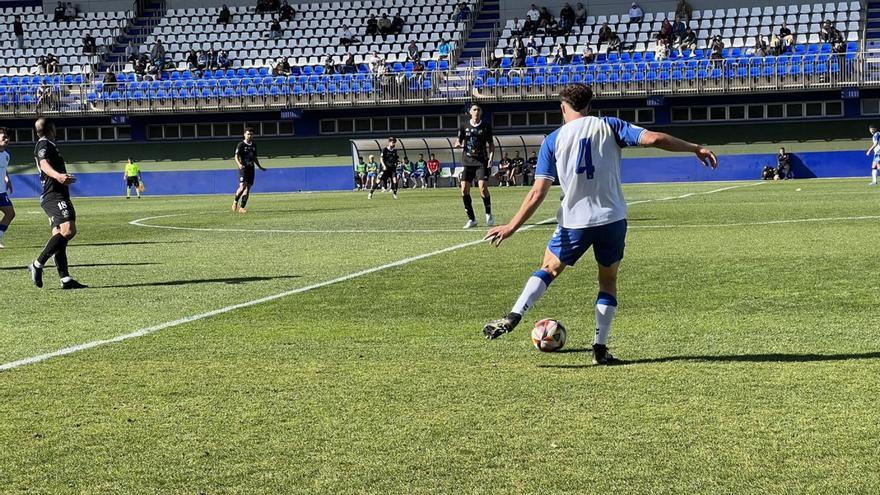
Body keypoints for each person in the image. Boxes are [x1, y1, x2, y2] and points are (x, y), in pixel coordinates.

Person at [481, 84, 717, 364]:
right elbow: (654, 138)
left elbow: (538, 192)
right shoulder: (611, 126)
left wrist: (511, 226)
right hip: (611, 219)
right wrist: (694, 148)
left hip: (574, 222)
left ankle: (515, 314)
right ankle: (600, 349)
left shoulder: (553, 140)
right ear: (590, 106)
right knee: (608, 281)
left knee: (549, 268)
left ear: (562, 107)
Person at [29, 118, 87, 290]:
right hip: (54, 195)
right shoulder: (44, 144)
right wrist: (59, 176)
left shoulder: (48, 145)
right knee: (69, 230)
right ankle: (37, 264)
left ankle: (65, 278)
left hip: (54, 195)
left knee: (59, 237)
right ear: (51, 129)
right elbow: (44, 164)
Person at [455, 104, 495, 228]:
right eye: (474, 109)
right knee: (464, 190)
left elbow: (491, 145)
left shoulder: (486, 126)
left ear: (481, 112)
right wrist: (457, 144)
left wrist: (491, 159)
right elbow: (458, 140)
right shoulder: (464, 125)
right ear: (470, 112)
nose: (476, 111)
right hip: (467, 162)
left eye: (478, 109)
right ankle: (472, 219)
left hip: (481, 162)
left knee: (482, 188)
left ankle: (488, 213)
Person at [232, 128, 266, 213]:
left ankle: (242, 208)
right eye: (248, 134)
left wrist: (260, 166)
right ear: (244, 134)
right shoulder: (241, 144)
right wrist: (239, 164)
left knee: (247, 188)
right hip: (243, 168)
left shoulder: (254, 145)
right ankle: (235, 201)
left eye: (251, 134)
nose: (250, 136)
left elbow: (254, 157)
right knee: (242, 186)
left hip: (251, 169)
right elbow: (236, 156)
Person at [0, 129, 14, 249]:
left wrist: (7, 179)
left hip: (1, 191)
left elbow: (4, 168)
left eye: (7, 137)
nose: (7, 139)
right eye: (4, 137)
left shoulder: (7, 154)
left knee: (10, 213)